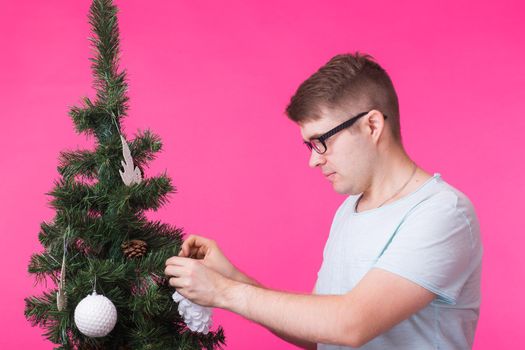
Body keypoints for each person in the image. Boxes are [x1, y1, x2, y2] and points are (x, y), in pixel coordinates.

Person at [164, 53, 483, 349]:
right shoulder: (350, 209)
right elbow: (320, 331)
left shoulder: (442, 213)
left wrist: (222, 291)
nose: (313, 162)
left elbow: (351, 324)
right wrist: (230, 276)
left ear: (372, 125)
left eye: (321, 142)